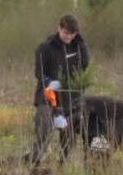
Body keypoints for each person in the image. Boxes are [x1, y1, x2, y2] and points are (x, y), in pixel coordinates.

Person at [30, 13, 91, 165]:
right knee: (45, 126)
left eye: (72, 33)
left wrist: (78, 84)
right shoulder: (45, 48)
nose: (69, 36)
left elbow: (85, 68)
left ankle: (63, 163)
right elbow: (39, 72)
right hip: (47, 97)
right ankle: (35, 160)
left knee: (70, 131)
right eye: (66, 32)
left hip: (71, 97)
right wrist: (49, 82)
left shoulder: (80, 47)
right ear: (59, 28)